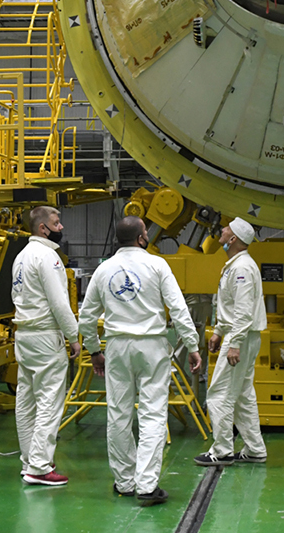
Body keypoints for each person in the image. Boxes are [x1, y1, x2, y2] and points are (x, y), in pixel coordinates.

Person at [78, 216, 201, 506]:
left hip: (118, 346)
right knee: (153, 415)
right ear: (142, 237)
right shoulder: (157, 265)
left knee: (118, 414)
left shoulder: (104, 269)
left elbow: (87, 316)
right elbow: (178, 308)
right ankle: (146, 486)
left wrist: (95, 350)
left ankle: (124, 481)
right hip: (152, 346)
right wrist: (192, 345)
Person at [11, 205, 81, 486]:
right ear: (43, 228)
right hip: (44, 336)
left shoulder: (21, 256)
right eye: (56, 222)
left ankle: (30, 460)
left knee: (26, 402)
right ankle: (39, 467)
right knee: (49, 401)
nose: (61, 227)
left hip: (24, 335)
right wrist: (74, 336)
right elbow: (59, 303)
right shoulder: (48, 257)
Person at [195, 217, 268, 467]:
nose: (222, 231)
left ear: (234, 238)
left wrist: (234, 342)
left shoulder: (241, 269)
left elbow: (244, 311)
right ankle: (255, 449)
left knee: (219, 394)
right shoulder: (235, 265)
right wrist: (218, 332)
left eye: (226, 229)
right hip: (240, 335)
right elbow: (230, 306)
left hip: (242, 337)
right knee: (243, 395)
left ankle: (223, 449)